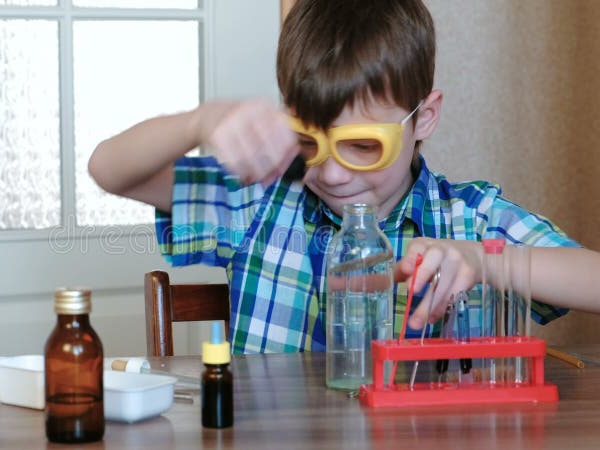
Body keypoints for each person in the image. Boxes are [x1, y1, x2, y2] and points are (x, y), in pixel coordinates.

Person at [89, 0, 600, 354]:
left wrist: (487, 262)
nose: (331, 173)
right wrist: (200, 121)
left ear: (423, 118)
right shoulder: (259, 201)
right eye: (308, 142)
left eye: (362, 146)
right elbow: (108, 170)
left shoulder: (468, 219)